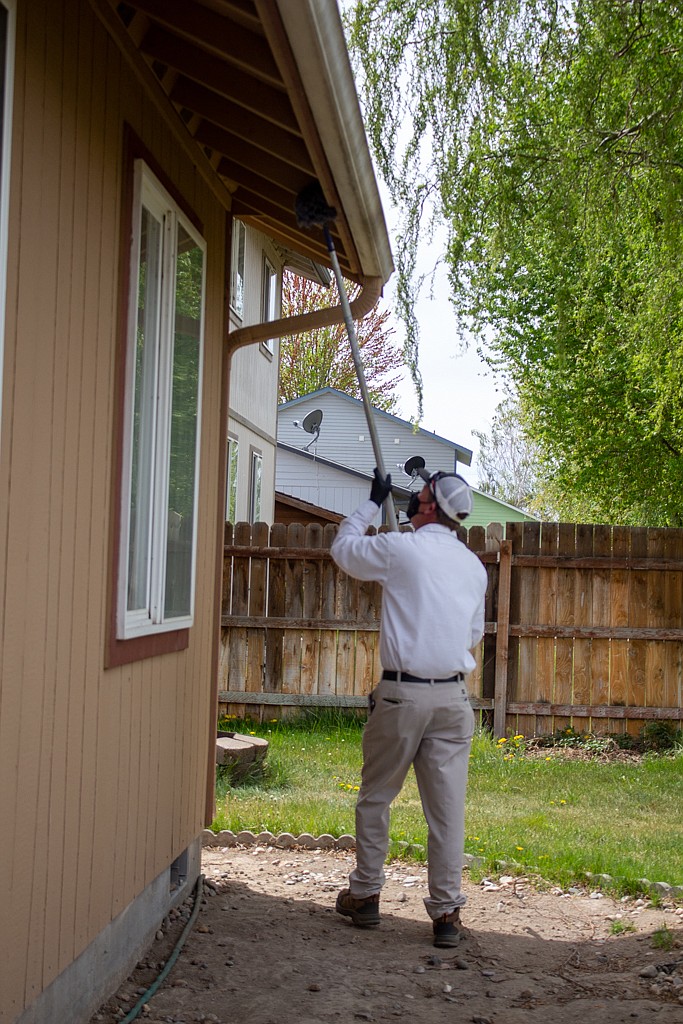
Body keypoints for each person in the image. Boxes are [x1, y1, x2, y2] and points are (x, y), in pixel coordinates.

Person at [330, 466, 488, 947]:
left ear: (426, 505)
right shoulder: (473, 567)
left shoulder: (402, 550)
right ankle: (445, 914)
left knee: (377, 796)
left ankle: (366, 896)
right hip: (454, 698)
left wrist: (371, 503)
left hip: (402, 695)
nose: (410, 498)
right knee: (446, 813)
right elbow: (473, 633)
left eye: (417, 493)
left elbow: (344, 550)